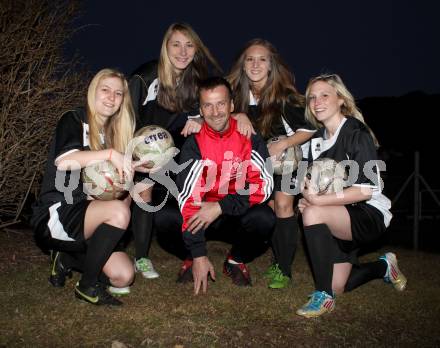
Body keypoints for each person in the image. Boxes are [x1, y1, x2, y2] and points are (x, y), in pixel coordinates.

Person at [296, 73, 407, 318]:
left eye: (325, 95)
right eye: (312, 98)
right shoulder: (314, 141)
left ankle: (323, 297)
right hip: (338, 213)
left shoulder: (356, 133)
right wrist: (306, 196)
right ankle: (384, 266)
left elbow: (365, 191)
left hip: (369, 213)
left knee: (314, 212)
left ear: (341, 100)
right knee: (340, 285)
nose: (317, 102)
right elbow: (305, 183)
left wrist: (316, 202)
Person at [159, 77, 275, 294]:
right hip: (200, 216)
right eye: (208, 105)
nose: (215, 112)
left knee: (264, 218)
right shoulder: (193, 142)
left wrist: (221, 206)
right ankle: (188, 258)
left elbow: (264, 185)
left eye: (221, 103)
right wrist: (198, 254)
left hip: (234, 215)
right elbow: (188, 198)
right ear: (200, 110)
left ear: (231, 105)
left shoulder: (249, 137)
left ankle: (235, 259)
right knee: (164, 217)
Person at [31, 69, 136, 306]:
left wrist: (129, 179)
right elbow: (65, 161)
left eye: (118, 93)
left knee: (123, 277)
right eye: (105, 90)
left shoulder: (114, 134)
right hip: (57, 213)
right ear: (93, 91)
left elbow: (115, 192)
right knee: (119, 212)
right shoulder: (74, 118)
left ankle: (66, 257)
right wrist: (110, 154)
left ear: (122, 101)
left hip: (88, 215)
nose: (111, 97)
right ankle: (87, 287)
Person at [127, 22, 223, 280]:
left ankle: (145, 256)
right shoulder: (145, 75)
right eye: (176, 44)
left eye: (189, 45)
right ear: (165, 47)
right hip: (131, 139)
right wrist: (132, 155)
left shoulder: (192, 81)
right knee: (127, 195)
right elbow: (123, 117)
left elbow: (207, 113)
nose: (183, 51)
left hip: (162, 146)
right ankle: (120, 252)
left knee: (151, 190)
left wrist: (199, 120)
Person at [228, 38, 315, 289]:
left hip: (291, 159)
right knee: (271, 207)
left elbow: (309, 129)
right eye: (250, 59)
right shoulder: (238, 95)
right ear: (242, 65)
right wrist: (239, 114)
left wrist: (284, 143)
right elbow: (219, 115)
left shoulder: (284, 96)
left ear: (271, 65)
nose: (255, 64)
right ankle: (278, 259)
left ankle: (284, 270)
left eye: (262, 59)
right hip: (262, 163)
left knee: (284, 205)